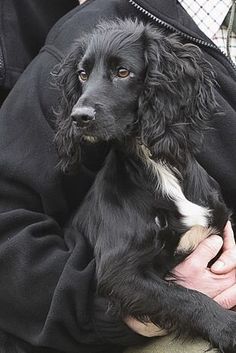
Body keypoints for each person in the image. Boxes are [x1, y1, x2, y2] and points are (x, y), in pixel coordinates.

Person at [0, 0, 235, 352]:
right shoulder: (91, 32)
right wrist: (113, 313)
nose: (85, 100)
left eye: (121, 73)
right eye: (84, 77)